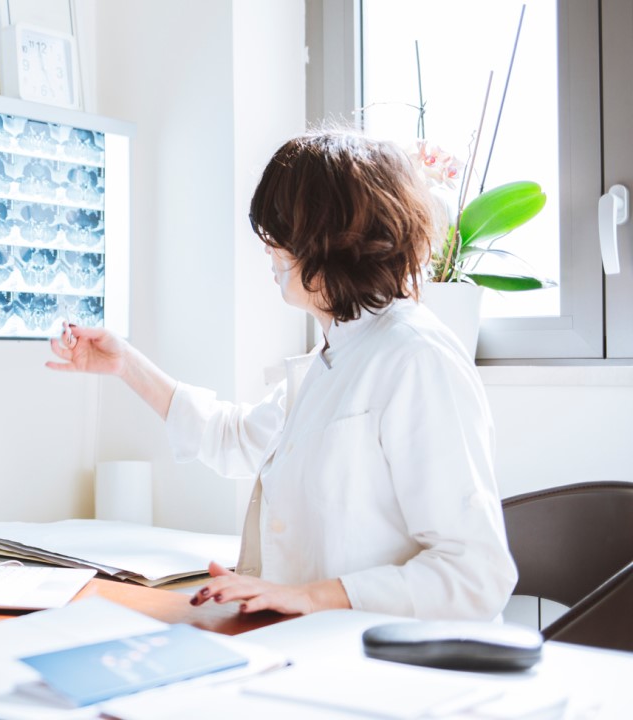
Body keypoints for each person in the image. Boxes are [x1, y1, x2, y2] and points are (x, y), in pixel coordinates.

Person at [48, 131, 517, 621]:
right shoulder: (336, 354)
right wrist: (124, 364)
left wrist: (314, 596)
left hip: (384, 662)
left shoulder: (417, 359)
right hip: (308, 640)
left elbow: (476, 575)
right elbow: (232, 438)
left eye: (281, 232)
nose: (269, 249)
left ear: (331, 238)